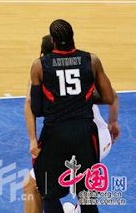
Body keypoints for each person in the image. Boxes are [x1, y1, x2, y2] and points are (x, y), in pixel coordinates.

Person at [23, 34, 120, 213]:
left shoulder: (41, 72)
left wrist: (32, 139)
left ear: (43, 54)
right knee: (85, 195)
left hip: (68, 142)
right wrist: (113, 122)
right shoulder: (82, 68)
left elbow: (30, 105)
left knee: (34, 186)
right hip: (99, 142)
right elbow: (111, 94)